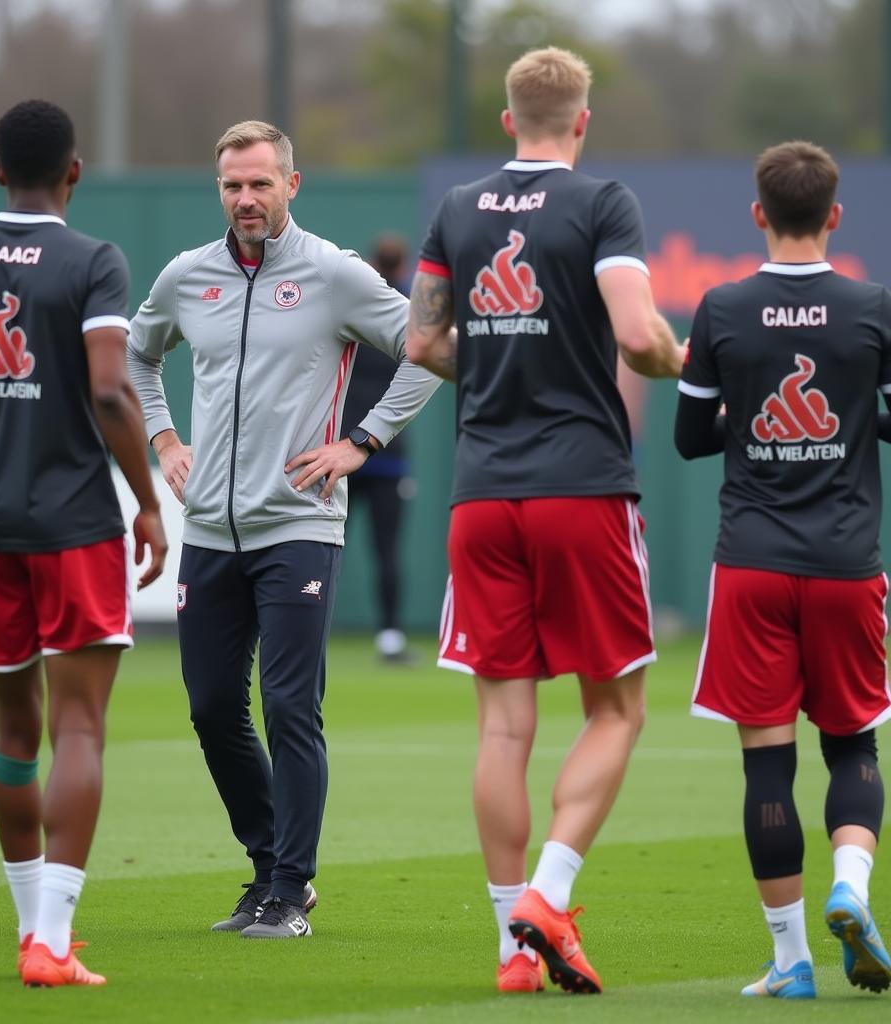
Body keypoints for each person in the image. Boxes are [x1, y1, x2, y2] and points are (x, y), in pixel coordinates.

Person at [406, 46, 684, 995]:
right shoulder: (603, 202)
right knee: (616, 707)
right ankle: (551, 892)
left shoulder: (457, 209)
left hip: (483, 496)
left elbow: (423, 340)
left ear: (507, 120)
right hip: (584, 490)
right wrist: (692, 362)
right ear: (583, 120)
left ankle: (510, 951)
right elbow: (642, 337)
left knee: (503, 730)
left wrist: (488, 371)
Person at [126, 119, 440, 939]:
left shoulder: (334, 273)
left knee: (290, 707)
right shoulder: (188, 275)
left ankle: (291, 888)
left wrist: (362, 441)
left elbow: (432, 348)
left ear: (290, 186)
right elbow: (135, 356)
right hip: (210, 532)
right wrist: (164, 439)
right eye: (232, 184)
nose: (246, 198)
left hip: (299, 523)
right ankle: (268, 868)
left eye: (261, 183)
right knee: (209, 707)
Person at [0, 99, 167, 986]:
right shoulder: (94, 259)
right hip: (73, 523)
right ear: (74, 171)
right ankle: (52, 939)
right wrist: (149, 502)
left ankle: (30, 930)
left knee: (14, 731)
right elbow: (109, 391)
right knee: (80, 725)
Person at [675, 140, 891, 999]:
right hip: (847, 564)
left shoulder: (722, 307)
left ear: (759, 214)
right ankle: (853, 887)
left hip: (754, 567)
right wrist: (847, 415)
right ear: (834, 216)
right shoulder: (873, 306)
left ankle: (792, 960)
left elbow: (692, 439)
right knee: (853, 746)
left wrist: (745, 414)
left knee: (767, 767)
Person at [340, 233, 415, 663]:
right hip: (382, 451)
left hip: (350, 450)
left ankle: (310, 627)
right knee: (385, 549)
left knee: (328, 544)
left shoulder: (357, 307)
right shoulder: (409, 313)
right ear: (403, 266)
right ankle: (390, 637)